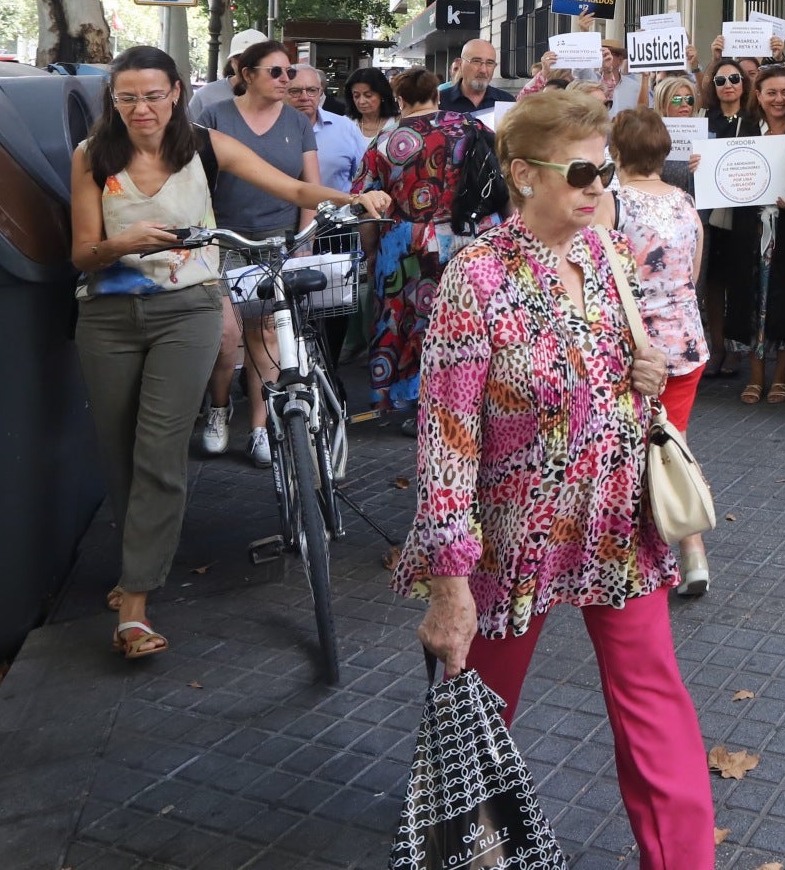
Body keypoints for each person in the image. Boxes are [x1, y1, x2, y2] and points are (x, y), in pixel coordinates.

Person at [399, 91, 715, 869]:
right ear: (522, 174)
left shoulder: (603, 255)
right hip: (512, 538)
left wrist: (643, 372)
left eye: (604, 169)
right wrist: (449, 583)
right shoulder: (476, 278)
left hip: (615, 520)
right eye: (580, 170)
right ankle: (468, 851)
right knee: (479, 711)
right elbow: (445, 438)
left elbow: (617, 371)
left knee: (655, 700)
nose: (598, 185)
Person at [71, 46, 386, 658]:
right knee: (118, 452)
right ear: (113, 99)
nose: (142, 108)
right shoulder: (92, 156)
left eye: (154, 95)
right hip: (106, 316)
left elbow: (292, 183)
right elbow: (81, 253)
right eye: (128, 96)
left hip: (187, 310)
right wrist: (119, 244)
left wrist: (352, 200)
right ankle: (138, 564)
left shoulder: (203, 144)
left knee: (161, 448)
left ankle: (136, 600)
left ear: (177, 93)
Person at [355, 66, 508, 431]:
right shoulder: (474, 128)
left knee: (409, 319)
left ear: (401, 101)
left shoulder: (385, 141)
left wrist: (372, 252)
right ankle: (470, 395)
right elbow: (501, 183)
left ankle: (411, 399)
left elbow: (366, 204)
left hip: (407, 244)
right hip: (471, 236)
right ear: (437, 96)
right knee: (468, 320)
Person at [195, 40, 317, 467]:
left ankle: (261, 426)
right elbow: (195, 183)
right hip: (223, 240)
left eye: (291, 73)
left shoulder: (298, 123)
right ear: (246, 74)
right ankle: (219, 406)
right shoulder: (214, 117)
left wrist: (303, 241)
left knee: (264, 334)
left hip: (274, 242)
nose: (288, 80)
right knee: (225, 334)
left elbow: (308, 188)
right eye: (277, 72)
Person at [608, 108, 712, 597]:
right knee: (674, 445)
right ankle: (693, 553)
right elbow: (692, 273)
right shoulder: (685, 203)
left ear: (615, 151)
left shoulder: (612, 205)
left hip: (632, 349)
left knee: (632, 453)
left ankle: (642, 555)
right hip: (686, 343)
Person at [742, 64, 785, 405]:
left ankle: (780, 377)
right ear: (758, 95)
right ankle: (754, 377)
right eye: (771, 92)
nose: (779, 99)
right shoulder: (745, 129)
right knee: (755, 301)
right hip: (751, 231)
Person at [698, 57, 759, 383]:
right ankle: (717, 347)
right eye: (720, 81)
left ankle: (737, 348)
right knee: (713, 283)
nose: (728, 85)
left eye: (734, 78)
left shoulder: (754, 120)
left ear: (744, 83)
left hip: (744, 213)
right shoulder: (704, 121)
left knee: (739, 281)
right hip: (711, 213)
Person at [287, 65, 371, 195]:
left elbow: (366, 176)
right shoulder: (270, 129)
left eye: (312, 90)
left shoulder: (345, 127)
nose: (304, 97)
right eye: (295, 91)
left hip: (336, 212)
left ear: (320, 92)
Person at [187, 28, 268, 121]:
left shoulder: (280, 95)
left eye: (257, 59)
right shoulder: (205, 96)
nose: (249, 66)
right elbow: (186, 132)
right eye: (241, 60)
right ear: (232, 62)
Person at [438, 38, 513, 115]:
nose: (483, 70)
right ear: (461, 64)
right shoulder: (439, 102)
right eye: (476, 61)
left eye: (489, 63)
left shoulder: (507, 102)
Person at [344, 66, 400, 144]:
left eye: (368, 95)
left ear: (382, 95)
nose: (361, 101)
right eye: (356, 96)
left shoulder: (397, 123)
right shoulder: (345, 124)